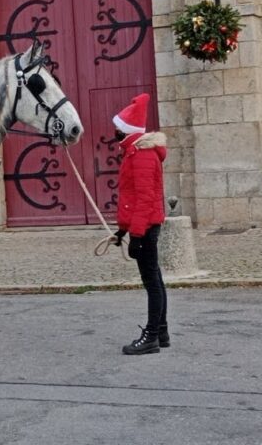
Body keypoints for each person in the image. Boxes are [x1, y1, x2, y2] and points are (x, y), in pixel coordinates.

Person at [110, 93, 170, 355]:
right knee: (154, 277)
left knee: (151, 281)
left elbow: (145, 199)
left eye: (118, 129)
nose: (115, 133)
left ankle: (152, 336)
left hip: (146, 228)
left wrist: (136, 235)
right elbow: (133, 199)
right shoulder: (135, 152)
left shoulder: (143, 156)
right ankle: (162, 330)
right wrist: (123, 229)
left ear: (126, 131)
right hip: (142, 226)